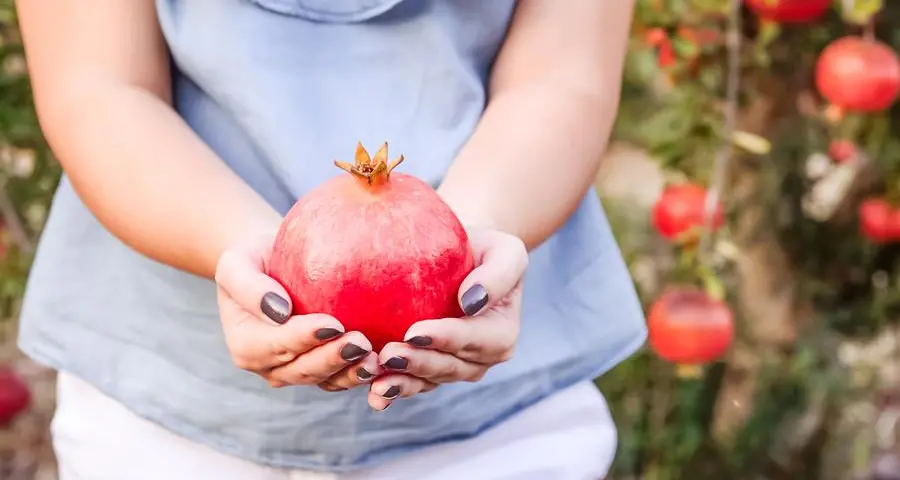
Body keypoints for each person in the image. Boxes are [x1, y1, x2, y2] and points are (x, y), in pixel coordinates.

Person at [14, 0, 646, 478]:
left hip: (502, 428)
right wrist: (254, 256)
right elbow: (96, 85)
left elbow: (563, 76)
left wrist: (463, 252)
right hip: (166, 405)